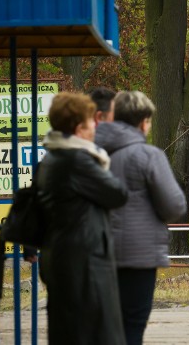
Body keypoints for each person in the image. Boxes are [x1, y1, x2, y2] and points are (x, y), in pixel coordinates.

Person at [95, 90, 187, 345]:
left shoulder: (94, 154)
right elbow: (174, 206)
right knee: (132, 326)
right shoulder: (148, 156)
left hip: (99, 254)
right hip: (139, 257)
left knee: (107, 328)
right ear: (143, 121)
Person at [36, 92, 128, 344]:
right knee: (91, 333)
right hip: (84, 260)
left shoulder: (51, 157)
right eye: (90, 123)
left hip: (62, 255)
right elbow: (117, 194)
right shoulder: (78, 159)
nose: (95, 128)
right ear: (79, 128)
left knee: (68, 330)